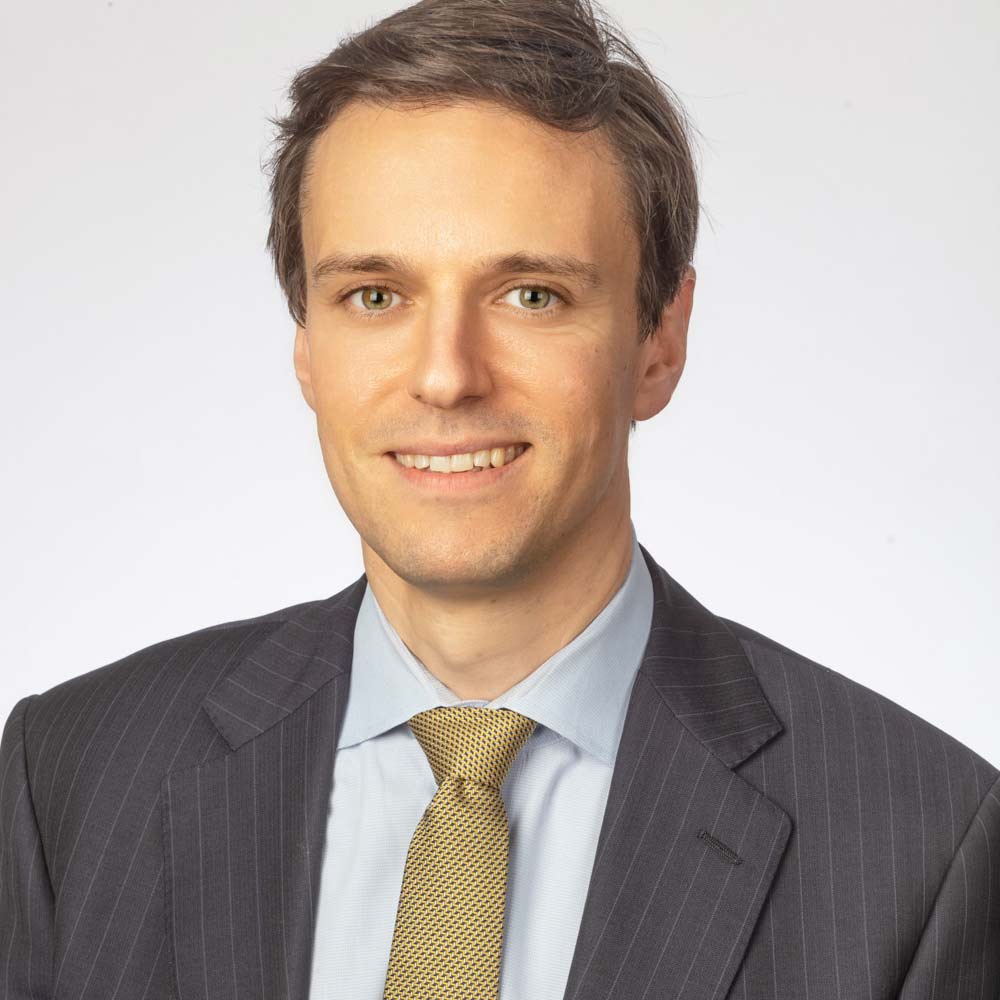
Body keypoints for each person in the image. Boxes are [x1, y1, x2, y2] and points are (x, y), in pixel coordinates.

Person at [2, 0, 997, 997]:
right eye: (374, 295)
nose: (445, 377)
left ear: (660, 339)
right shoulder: (74, 778)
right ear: (306, 342)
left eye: (531, 294)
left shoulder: (921, 845)